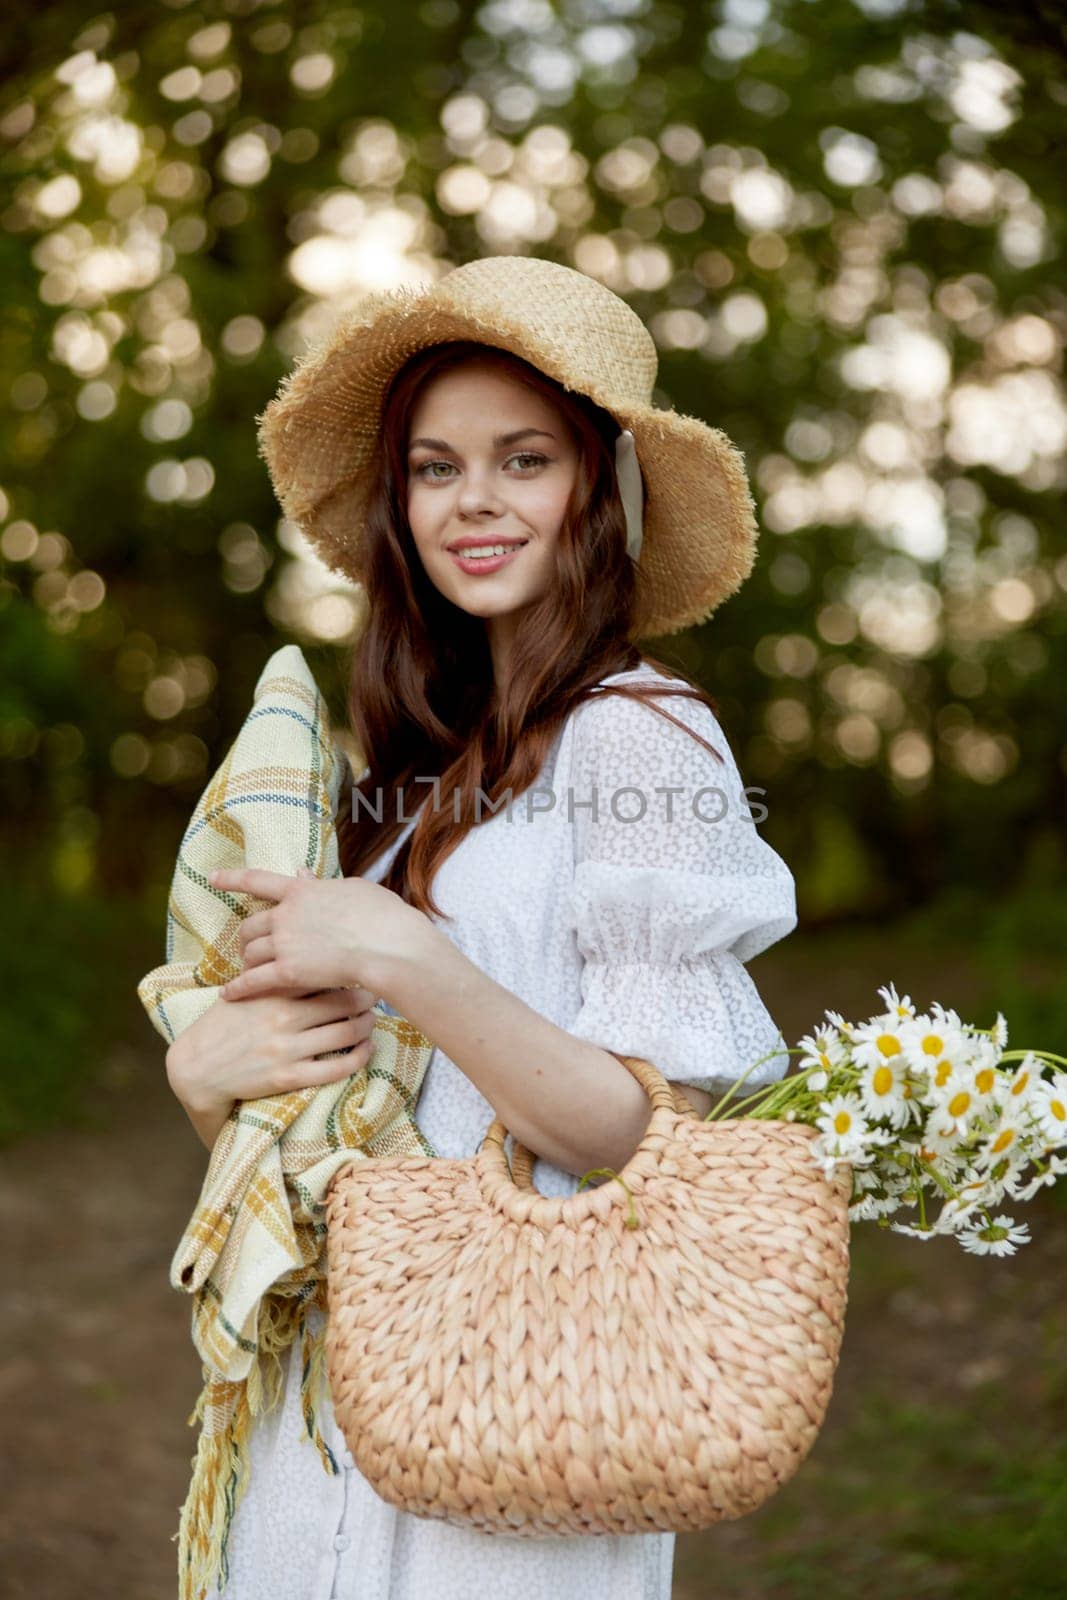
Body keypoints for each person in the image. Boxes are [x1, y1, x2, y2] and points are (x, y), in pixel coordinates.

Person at [165, 254, 798, 1600]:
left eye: (524, 460)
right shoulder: (421, 772)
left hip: (530, 1387)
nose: (475, 504)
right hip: (344, 1380)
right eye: (436, 469)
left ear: (599, 490)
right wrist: (204, 1078)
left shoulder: (647, 735)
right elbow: (359, 1105)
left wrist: (407, 958)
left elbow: (648, 1136)